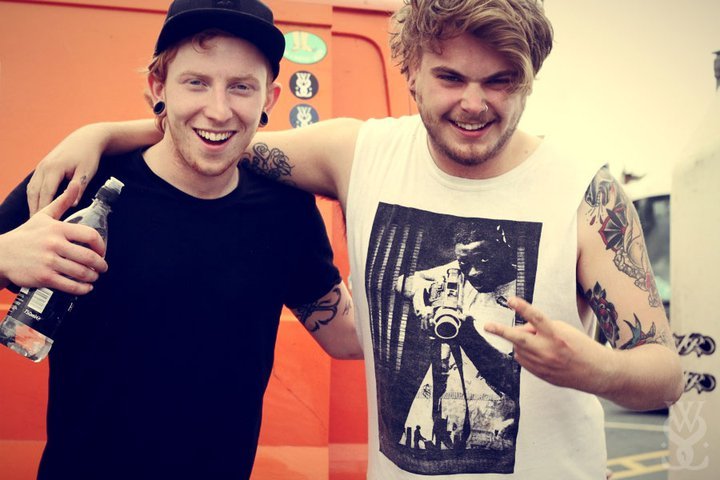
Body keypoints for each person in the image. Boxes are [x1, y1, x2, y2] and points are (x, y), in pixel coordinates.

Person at [24, 0, 683, 478]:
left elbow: (666, 375)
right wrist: (99, 133)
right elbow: (218, 134)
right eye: (451, 78)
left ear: (530, 78)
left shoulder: (587, 194)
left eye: (500, 80)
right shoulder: (358, 153)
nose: (474, 102)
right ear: (411, 71)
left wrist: (591, 368)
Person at [0, 0, 362, 478]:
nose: (219, 110)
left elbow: (346, 338)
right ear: (158, 87)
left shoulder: (286, 209)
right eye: (196, 82)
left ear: (269, 99)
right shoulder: (80, 180)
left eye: (241, 87)